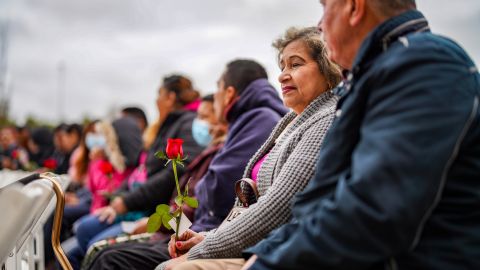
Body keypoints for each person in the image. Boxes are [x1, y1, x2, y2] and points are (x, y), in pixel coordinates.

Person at [239, 1, 480, 270]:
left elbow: (377, 211)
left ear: (354, 7)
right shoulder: (372, 77)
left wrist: (266, 264)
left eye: (325, 7)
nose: (319, 25)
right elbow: (315, 207)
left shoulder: (424, 63)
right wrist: (261, 254)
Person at [158, 26, 342, 270]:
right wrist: (208, 237)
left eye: (295, 65)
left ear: (328, 67)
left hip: (285, 249)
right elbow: (245, 205)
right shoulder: (290, 121)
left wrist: (203, 248)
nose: (283, 76)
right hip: (257, 242)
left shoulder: (326, 118)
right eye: (283, 66)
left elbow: (277, 207)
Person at [86, 59, 288, 270]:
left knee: (105, 255)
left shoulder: (250, 128)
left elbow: (209, 199)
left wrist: (165, 224)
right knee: (98, 248)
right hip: (187, 230)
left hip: (200, 233)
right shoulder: (222, 145)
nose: (200, 125)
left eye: (204, 116)